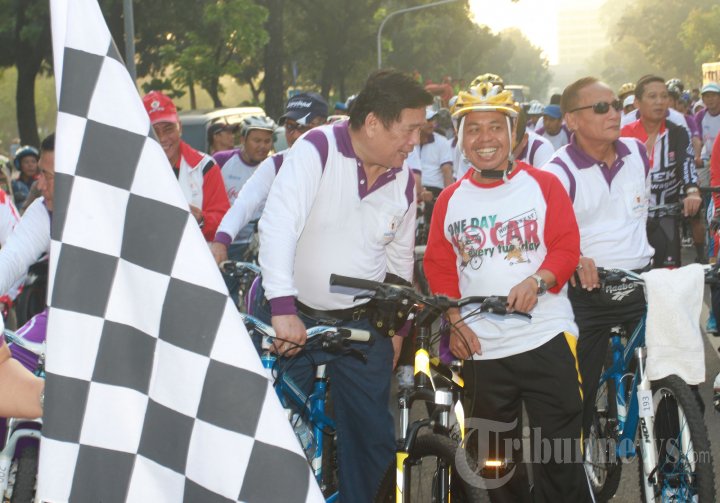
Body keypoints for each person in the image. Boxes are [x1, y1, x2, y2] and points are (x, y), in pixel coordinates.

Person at [255, 69, 430, 502]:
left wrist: (397, 330)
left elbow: (399, 262)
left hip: (361, 326)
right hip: (295, 319)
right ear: (373, 123)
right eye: (409, 130)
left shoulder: (404, 181)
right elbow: (278, 225)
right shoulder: (316, 149)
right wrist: (282, 309)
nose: (415, 141)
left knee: (372, 442)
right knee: (278, 432)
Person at [424, 83, 589, 502]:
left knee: (561, 456)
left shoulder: (543, 185)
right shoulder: (449, 200)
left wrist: (538, 281)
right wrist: (454, 321)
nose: (485, 138)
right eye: (473, 129)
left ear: (513, 133)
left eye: (495, 127)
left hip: (545, 336)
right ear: (459, 138)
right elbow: (439, 266)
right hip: (482, 348)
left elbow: (566, 246)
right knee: (495, 466)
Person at [543, 77, 654, 442]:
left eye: (617, 105)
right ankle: (573, 464)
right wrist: (575, 258)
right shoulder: (557, 171)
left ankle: (677, 463)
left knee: (670, 375)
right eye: (602, 108)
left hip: (640, 283)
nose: (614, 114)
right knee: (577, 396)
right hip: (587, 294)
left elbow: (639, 215)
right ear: (572, 120)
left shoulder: (637, 153)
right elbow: (548, 236)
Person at [211, 92, 329, 264]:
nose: (295, 135)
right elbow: (245, 202)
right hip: (288, 257)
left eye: (303, 127)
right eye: (289, 127)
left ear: (325, 126)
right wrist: (221, 240)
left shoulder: (340, 161)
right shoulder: (276, 163)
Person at [0, 134, 56, 419]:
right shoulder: (44, 211)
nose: (40, 185)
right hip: (58, 320)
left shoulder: (123, 213)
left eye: (49, 176)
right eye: (40, 174)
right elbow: (11, 259)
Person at [620, 75, 700, 268]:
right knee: (632, 277)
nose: (659, 102)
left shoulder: (678, 132)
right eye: (652, 96)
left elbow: (687, 164)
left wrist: (692, 192)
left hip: (666, 215)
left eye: (664, 96)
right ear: (637, 102)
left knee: (669, 275)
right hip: (630, 220)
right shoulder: (623, 135)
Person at [142, 91, 230, 241]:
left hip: (194, 254)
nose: (162, 138)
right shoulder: (134, 170)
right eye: (155, 131)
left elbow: (225, 222)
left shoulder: (205, 166)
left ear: (180, 128)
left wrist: (201, 220)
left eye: (168, 129)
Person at [11, 145, 39, 209]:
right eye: (26, 162)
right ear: (19, 164)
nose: (30, 165)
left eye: (33, 162)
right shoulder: (13, 184)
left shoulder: (41, 184)